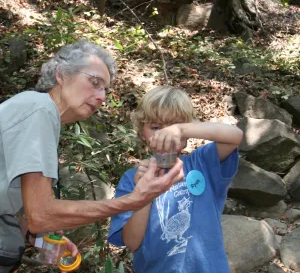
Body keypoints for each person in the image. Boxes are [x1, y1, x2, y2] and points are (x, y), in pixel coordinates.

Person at [0, 42, 184, 273]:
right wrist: (134, 200)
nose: (101, 97)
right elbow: (41, 214)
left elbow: (18, 208)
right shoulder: (40, 109)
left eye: (105, 90)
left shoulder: (35, 113)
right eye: (94, 82)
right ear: (61, 75)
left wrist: (37, 237)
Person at [108, 86, 243, 273]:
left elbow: (235, 136)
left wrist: (180, 129)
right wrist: (143, 192)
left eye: (174, 127)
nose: (165, 135)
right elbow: (131, 242)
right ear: (141, 132)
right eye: (155, 127)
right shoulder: (132, 179)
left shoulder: (202, 163)